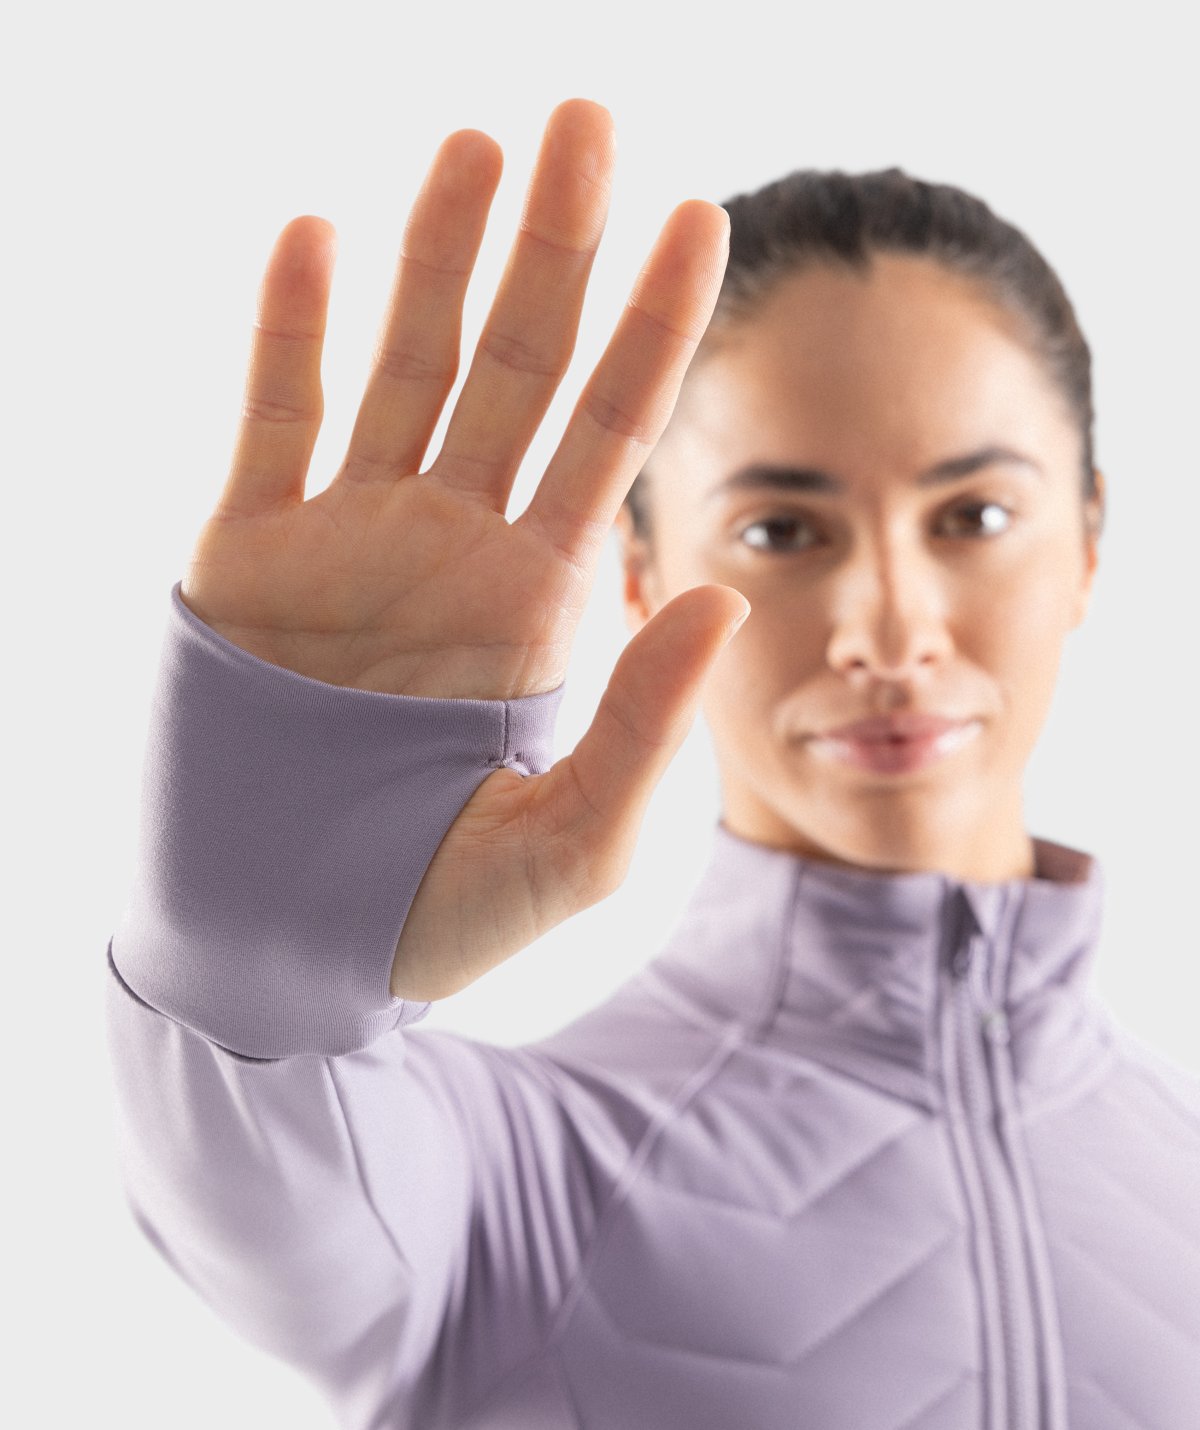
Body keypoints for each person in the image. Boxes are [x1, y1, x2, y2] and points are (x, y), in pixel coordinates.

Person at [103, 97, 1200, 1430]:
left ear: (1088, 538)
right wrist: (261, 953)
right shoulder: (515, 1188)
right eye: (782, 529)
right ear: (641, 568)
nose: (890, 628)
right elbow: (270, 1203)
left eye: (973, 515)